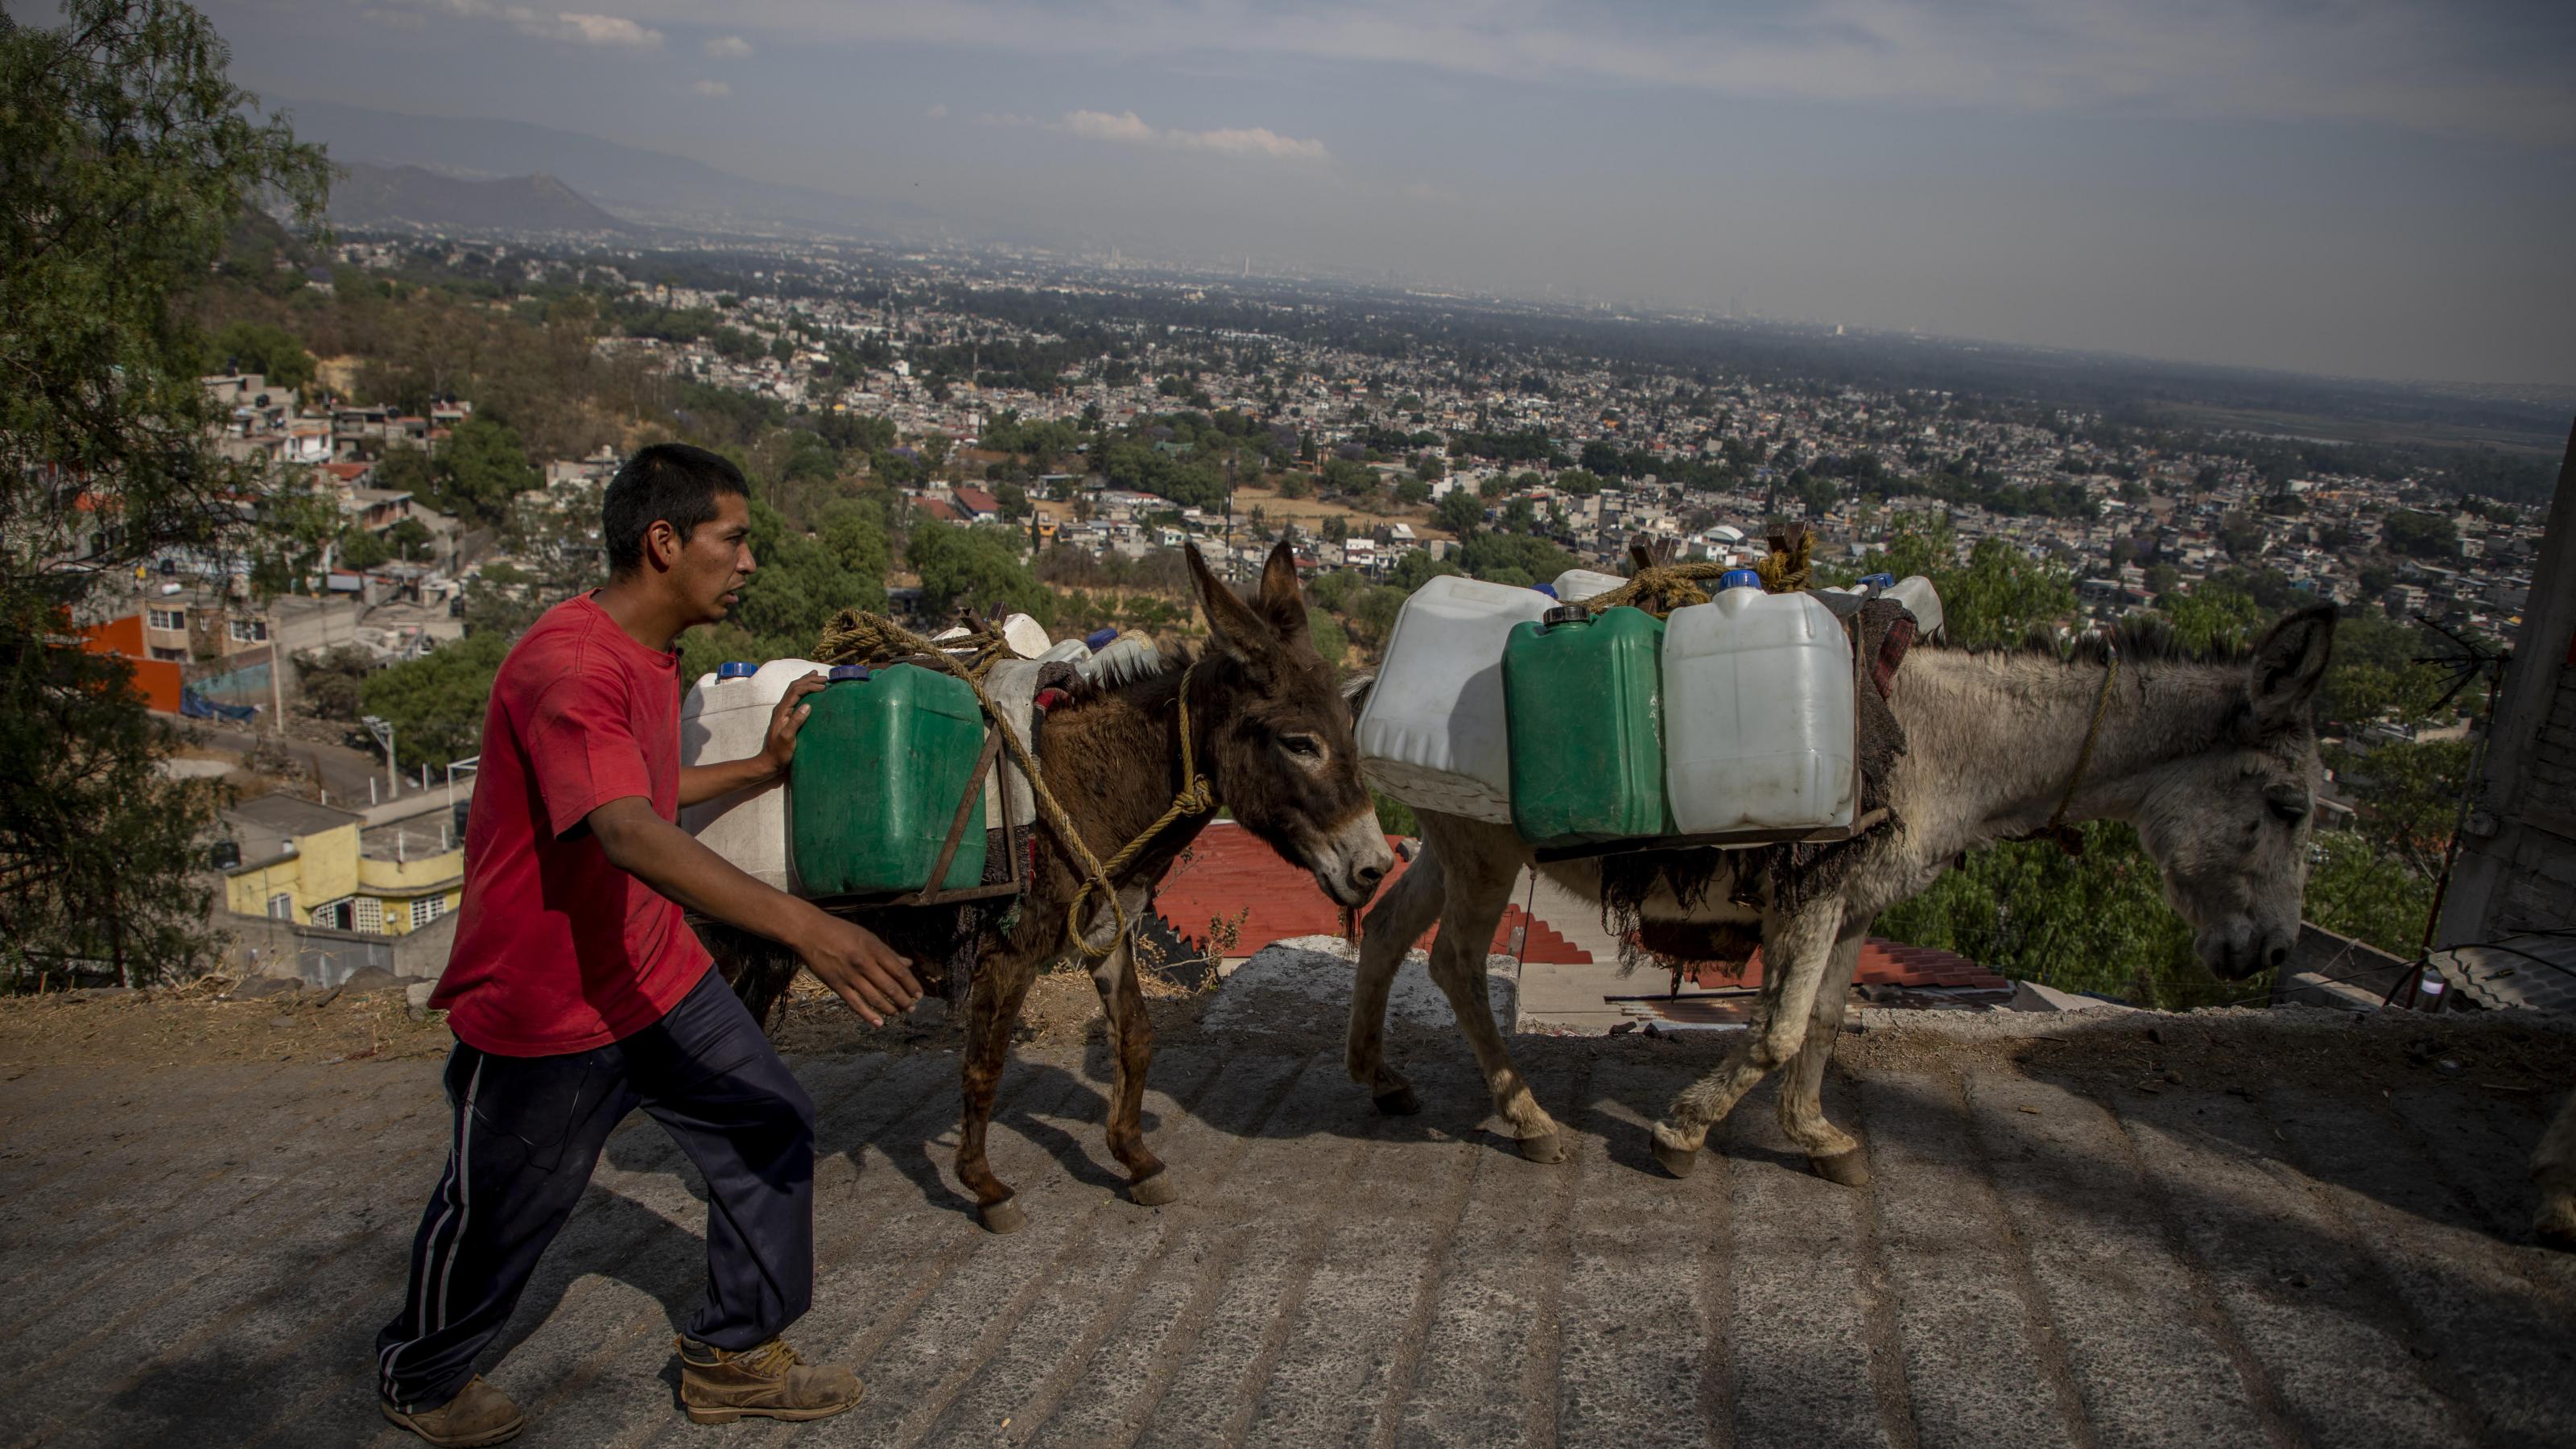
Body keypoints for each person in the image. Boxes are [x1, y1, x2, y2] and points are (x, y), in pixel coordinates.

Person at [374, 444, 922, 1447]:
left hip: (656, 974)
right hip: (549, 1006)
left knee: (769, 1127)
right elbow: (624, 832)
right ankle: (421, 1374)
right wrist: (807, 927)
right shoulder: (568, 667)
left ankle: (734, 1359)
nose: (750, 561)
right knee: (501, 1214)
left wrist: (758, 767)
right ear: (664, 542)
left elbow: (642, 797)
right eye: (735, 538)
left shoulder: (649, 656)